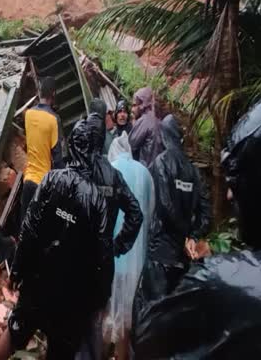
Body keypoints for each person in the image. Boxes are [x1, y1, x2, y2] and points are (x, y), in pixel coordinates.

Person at [134, 87, 261, 358]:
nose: (231, 194)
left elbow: (149, 339)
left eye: (239, 180)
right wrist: (193, 234)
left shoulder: (224, 285)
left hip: (164, 252)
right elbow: (204, 208)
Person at [0, 120, 114, 360]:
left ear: (71, 146)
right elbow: (102, 255)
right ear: (94, 153)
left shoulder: (50, 180)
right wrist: (100, 298)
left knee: (16, 329)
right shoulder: (97, 200)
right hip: (71, 293)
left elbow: (29, 228)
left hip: (38, 279)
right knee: (60, 350)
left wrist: (17, 270)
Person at [72, 113, 144, 360]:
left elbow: (62, 213)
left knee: (75, 320)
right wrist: (117, 246)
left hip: (78, 258)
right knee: (97, 318)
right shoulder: (113, 175)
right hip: (103, 261)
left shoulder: (76, 173)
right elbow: (136, 214)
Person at [133, 114, 210, 318]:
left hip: (161, 252)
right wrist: (192, 236)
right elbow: (205, 212)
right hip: (183, 257)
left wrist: (183, 234)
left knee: (152, 314)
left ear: (164, 136)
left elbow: (166, 206)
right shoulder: (193, 171)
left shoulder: (161, 163)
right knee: (175, 314)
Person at [103, 133, 154, 360]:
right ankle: (121, 355)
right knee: (127, 313)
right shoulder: (145, 173)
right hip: (137, 257)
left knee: (106, 309)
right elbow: (150, 213)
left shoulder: (109, 169)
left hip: (112, 256)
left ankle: (102, 353)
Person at [20, 77, 64, 225]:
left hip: (27, 182)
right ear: (54, 94)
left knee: (24, 231)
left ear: (40, 93)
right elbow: (58, 160)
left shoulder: (28, 114)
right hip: (43, 185)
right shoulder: (54, 119)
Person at [128, 88, 164, 167]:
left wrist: (135, 124)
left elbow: (129, 146)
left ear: (142, 104)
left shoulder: (144, 121)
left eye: (134, 105)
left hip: (147, 169)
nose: (132, 110)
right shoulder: (156, 119)